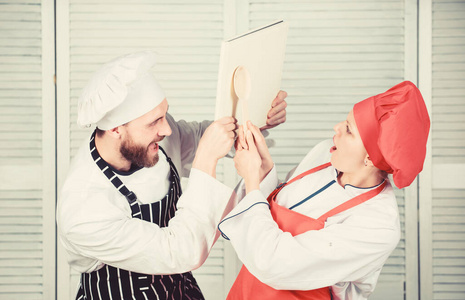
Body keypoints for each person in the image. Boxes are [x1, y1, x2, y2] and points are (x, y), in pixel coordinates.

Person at [56, 51, 287, 300]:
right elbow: (181, 252)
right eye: (154, 122)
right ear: (115, 129)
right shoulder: (82, 209)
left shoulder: (153, 139)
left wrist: (253, 120)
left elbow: (201, 136)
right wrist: (206, 159)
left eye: (165, 114)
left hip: (179, 290)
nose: (166, 129)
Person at [218, 81, 430, 300]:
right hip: (245, 291)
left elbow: (275, 263)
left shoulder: (378, 225)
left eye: (348, 130)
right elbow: (278, 205)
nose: (336, 128)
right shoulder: (325, 153)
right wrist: (263, 169)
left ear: (370, 158)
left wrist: (252, 179)